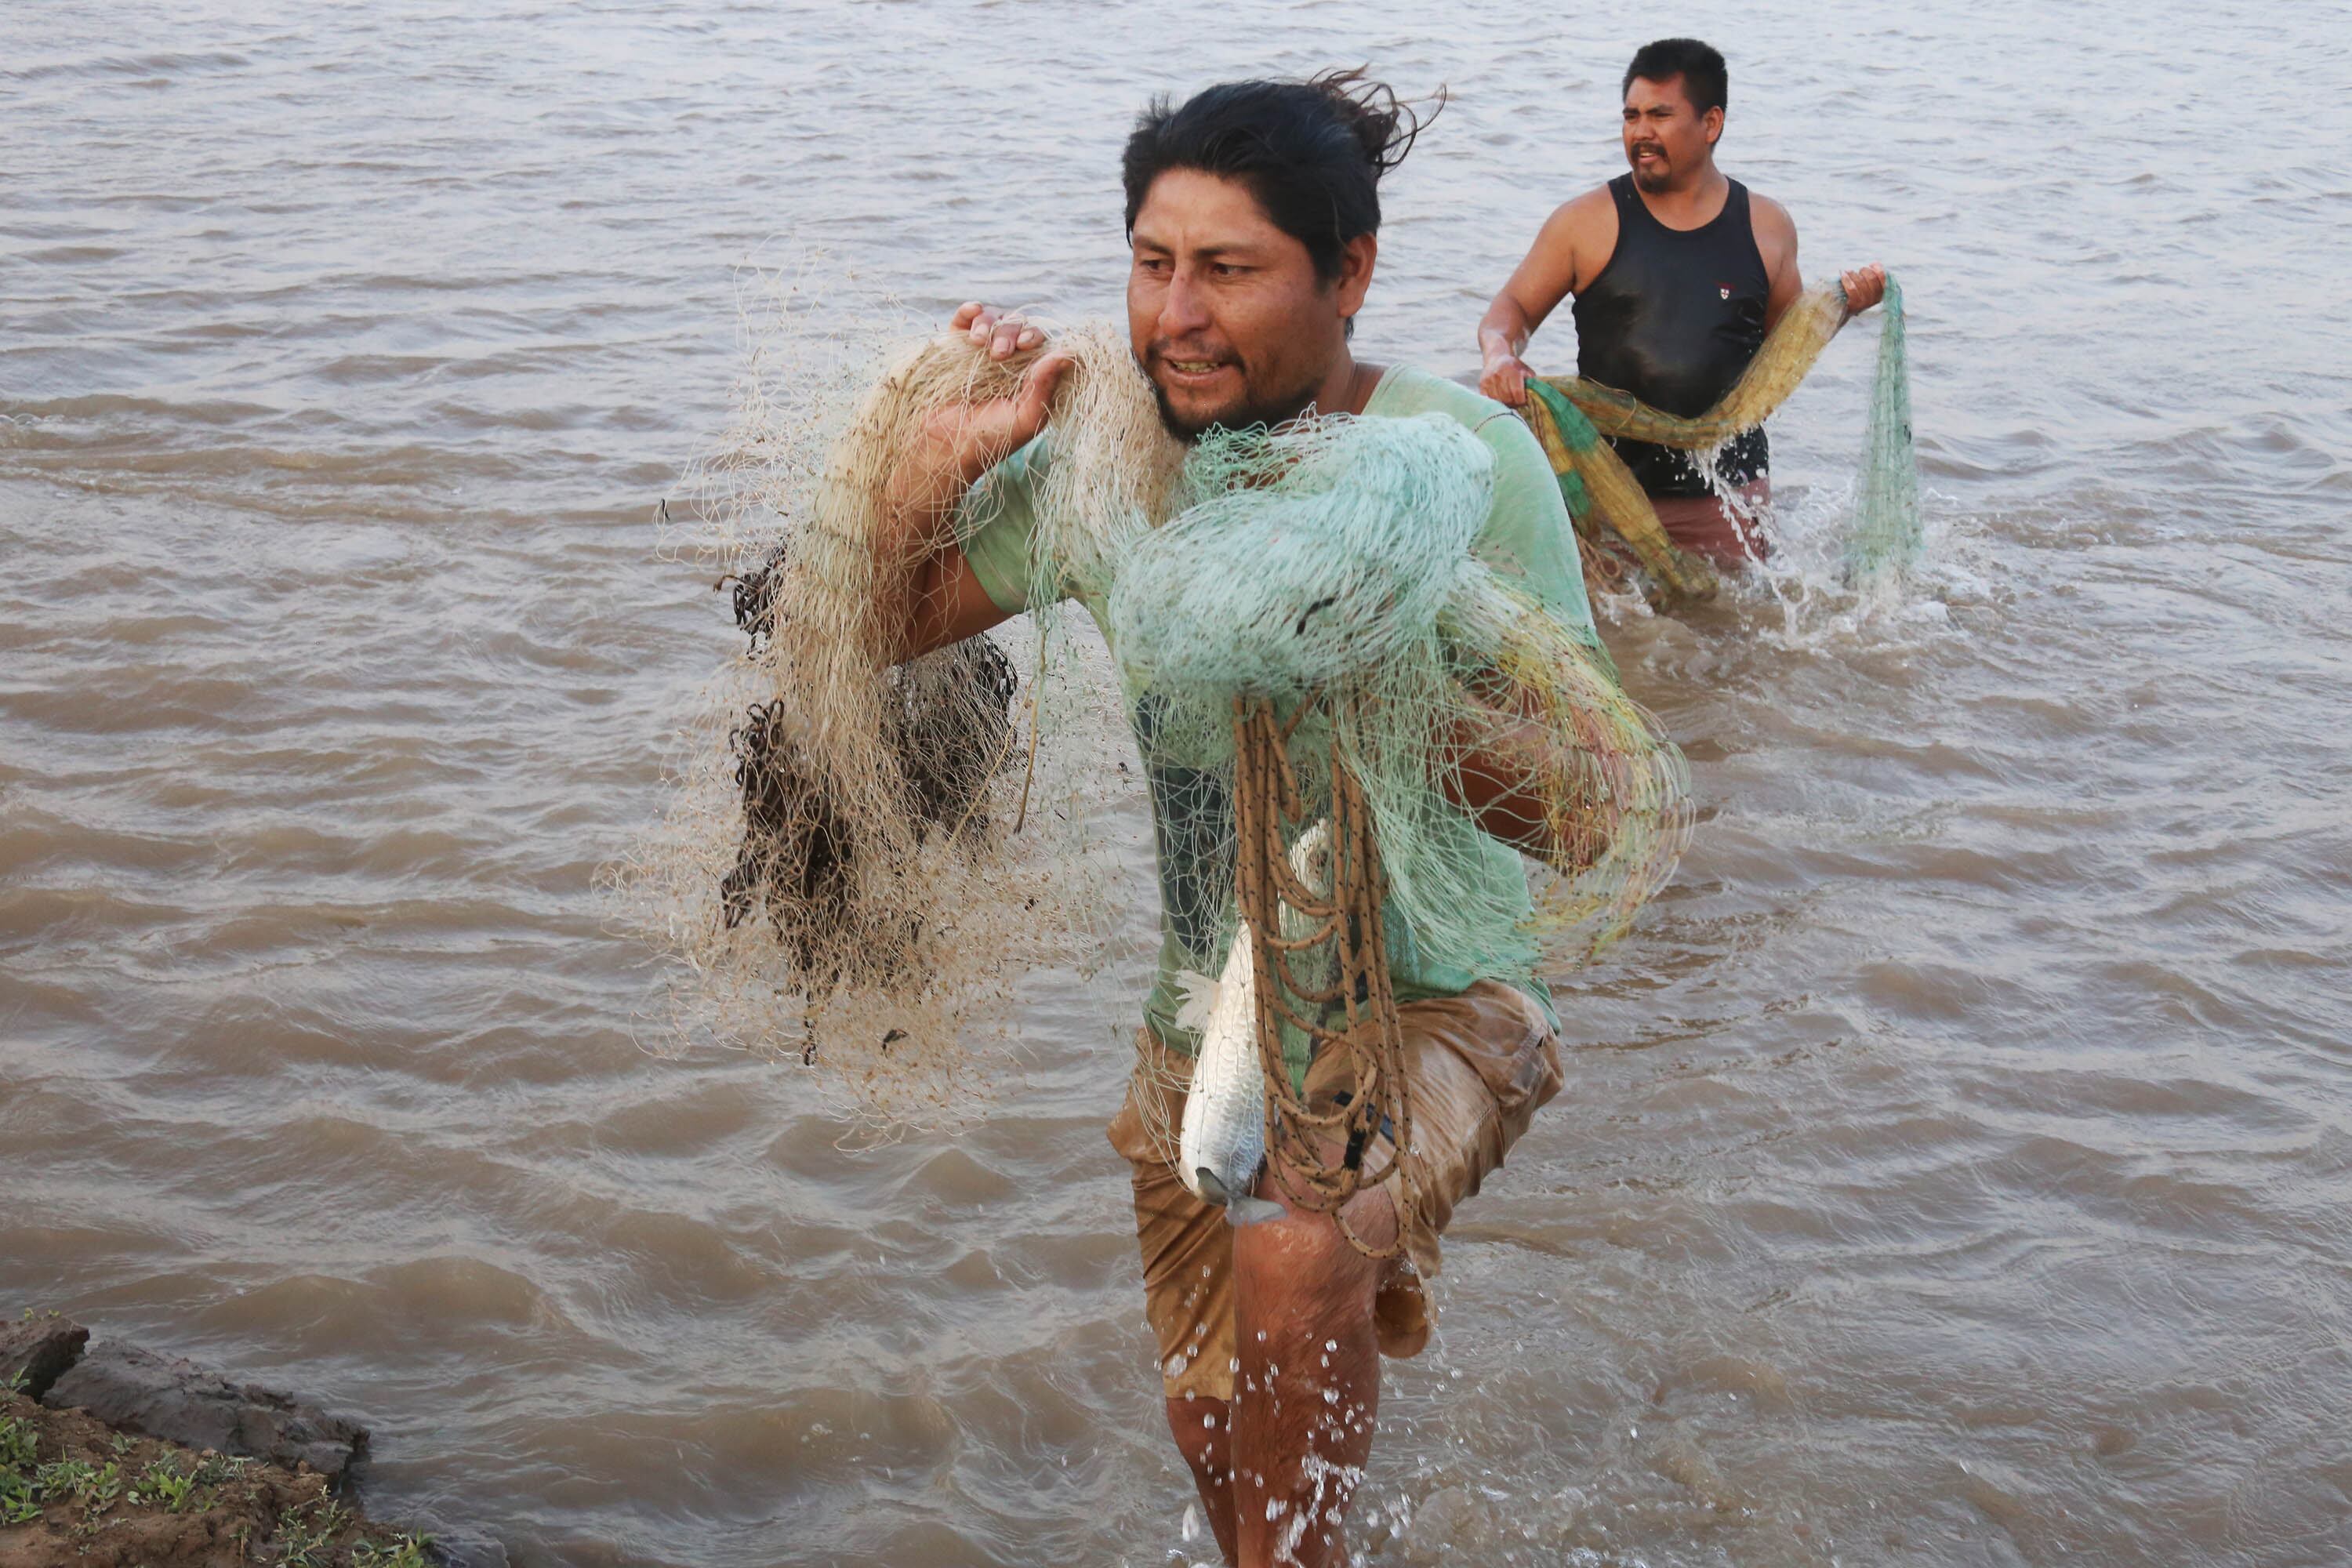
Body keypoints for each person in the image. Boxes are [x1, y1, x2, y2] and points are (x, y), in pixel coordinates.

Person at [867, 72, 1603, 1568]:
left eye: (1229, 269)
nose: (1177, 317)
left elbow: (1584, 809)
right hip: (1207, 1022)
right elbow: (882, 627)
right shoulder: (1111, 461)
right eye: (1153, 264)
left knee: (1299, 1239)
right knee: (1219, 1440)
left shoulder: (1463, 465)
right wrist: (941, 466)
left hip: (1439, 996)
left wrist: (1381, 668)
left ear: (1350, 275)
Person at [1477, 37, 1887, 568]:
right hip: (1608, 493)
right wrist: (1500, 356)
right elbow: (1510, 309)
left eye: (1660, 115)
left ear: (1711, 123)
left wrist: (1843, 307)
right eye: (1631, 116)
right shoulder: (1584, 222)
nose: (1640, 132)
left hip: (1729, 498)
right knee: (1612, 620)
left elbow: (1785, 349)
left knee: (1740, 619)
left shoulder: (1767, 226)